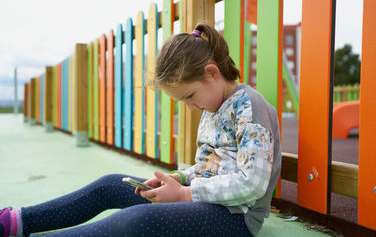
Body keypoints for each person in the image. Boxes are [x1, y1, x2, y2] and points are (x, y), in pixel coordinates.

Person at [0, 23, 281, 237]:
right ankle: (16, 221)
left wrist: (184, 194)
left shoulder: (250, 108)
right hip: (199, 200)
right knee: (110, 184)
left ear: (211, 73)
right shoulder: (212, 107)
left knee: (138, 220)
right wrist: (179, 177)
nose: (189, 107)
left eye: (189, 96)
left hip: (234, 219)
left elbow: (251, 184)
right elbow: (209, 167)